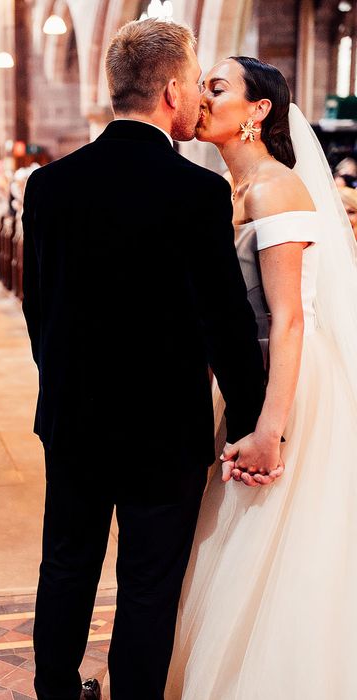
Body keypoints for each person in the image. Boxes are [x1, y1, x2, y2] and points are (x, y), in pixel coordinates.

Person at [21, 19, 270, 700]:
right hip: (165, 428)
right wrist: (251, 418)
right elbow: (227, 323)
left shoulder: (49, 187)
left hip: (73, 419)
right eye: (192, 84)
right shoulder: (194, 192)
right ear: (169, 88)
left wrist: (69, 385)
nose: (196, 98)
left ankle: (56, 691)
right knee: (149, 584)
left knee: (66, 565)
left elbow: (38, 309)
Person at [167, 56, 357, 699]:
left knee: (278, 549)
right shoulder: (228, 191)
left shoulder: (276, 187)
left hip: (291, 384)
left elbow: (291, 318)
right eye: (200, 87)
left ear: (258, 111)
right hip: (251, 377)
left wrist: (270, 427)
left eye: (217, 89)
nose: (201, 98)